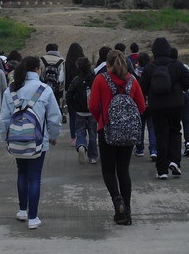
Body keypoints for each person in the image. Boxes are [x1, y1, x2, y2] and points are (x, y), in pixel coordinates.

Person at [0, 56, 62, 230]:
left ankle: (22, 210)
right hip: (38, 141)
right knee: (35, 178)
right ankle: (33, 218)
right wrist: (53, 136)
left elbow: (4, 119)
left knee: (22, 173)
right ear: (37, 70)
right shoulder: (45, 90)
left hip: (17, 140)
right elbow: (55, 118)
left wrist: (5, 137)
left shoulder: (11, 90)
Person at [89, 50, 145, 225]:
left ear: (107, 64)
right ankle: (127, 210)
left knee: (108, 170)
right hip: (127, 133)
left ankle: (117, 200)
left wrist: (102, 119)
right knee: (123, 170)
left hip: (106, 130)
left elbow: (93, 106)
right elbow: (142, 107)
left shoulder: (100, 79)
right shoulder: (132, 81)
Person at [139, 37, 189, 180]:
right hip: (176, 104)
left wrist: (152, 92)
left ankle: (162, 169)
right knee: (175, 131)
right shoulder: (177, 65)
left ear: (154, 51)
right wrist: (178, 89)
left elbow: (141, 87)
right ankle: (175, 161)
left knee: (160, 135)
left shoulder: (150, 67)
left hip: (157, 106)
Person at [65, 56, 97, 164]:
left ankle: (81, 145)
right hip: (92, 111)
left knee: (80, 132)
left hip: (79, 111)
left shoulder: (76, 80)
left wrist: (73, 106)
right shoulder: (95, 79)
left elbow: (68, 95)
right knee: (92, 134)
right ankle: (93, 156)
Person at [171, 48, 189, 157]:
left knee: (174, 123)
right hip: (186, 95)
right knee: (186, 122)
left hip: (175, 98)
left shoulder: (169, 68)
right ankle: (188, 144)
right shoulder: (184, 66)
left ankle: (174, 147)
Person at [134, 52, 156, 160]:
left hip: (140, 103)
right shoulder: (153, 71)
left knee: (140, 127)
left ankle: (140, 149)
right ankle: (153, 150)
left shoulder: (135, 73)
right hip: (151, 102)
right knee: (152, 128)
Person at [64, 42, 85, 145]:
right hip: (82, 92)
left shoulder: (66, 63)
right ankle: (82, 137)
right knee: (82, 116)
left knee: (72, 116)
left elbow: (63, 78)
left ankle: (73, 138)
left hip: (70, 92)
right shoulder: (83, 62)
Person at [40, 43, 65, 123]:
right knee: (56, 104)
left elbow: (39, 74)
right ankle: (56, 120)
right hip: (57, 89)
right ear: (57, 50)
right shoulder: (62, 61)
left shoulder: (41, 60)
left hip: (43, 88)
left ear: (46, 50)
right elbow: (62, 77)